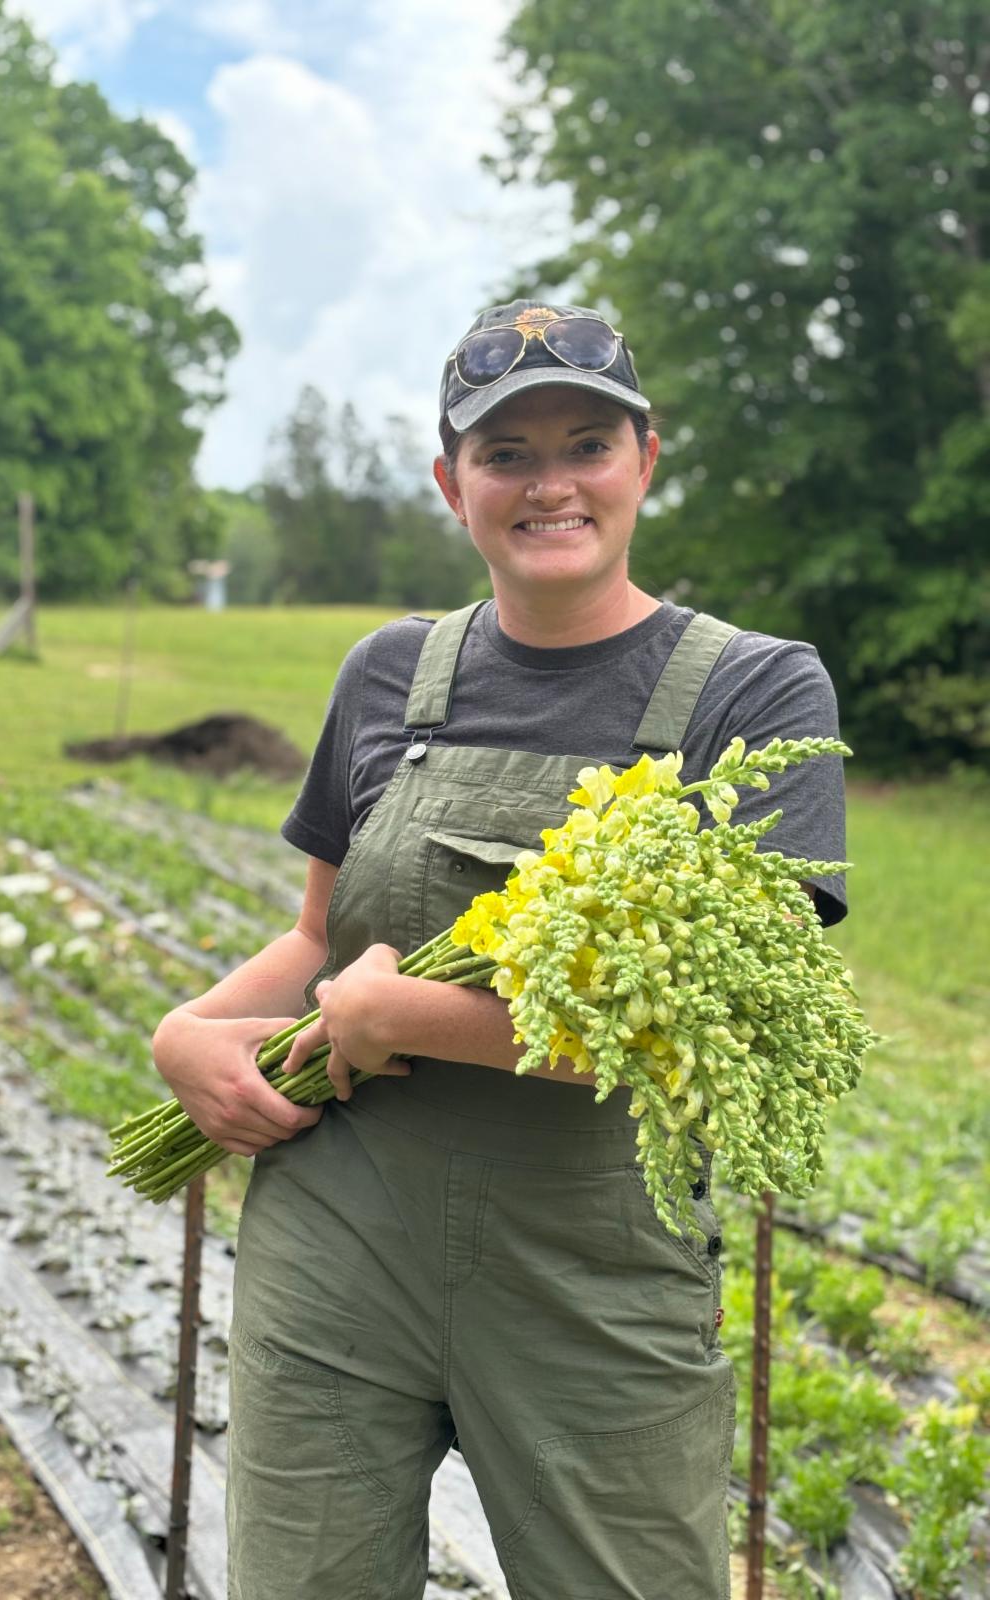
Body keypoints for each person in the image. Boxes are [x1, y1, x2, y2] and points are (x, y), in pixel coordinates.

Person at [152, 299, 847, 1600]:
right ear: (450, 482)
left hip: (594, 1280)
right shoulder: (387, 675)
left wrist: (403, 1018)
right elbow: (317, 937)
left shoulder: (757, 695)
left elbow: (717, 1032)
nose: (549, 484)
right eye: (506, 454)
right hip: (340, 1244)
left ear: (646, 459)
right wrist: (186, 1032)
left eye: (586, 443)